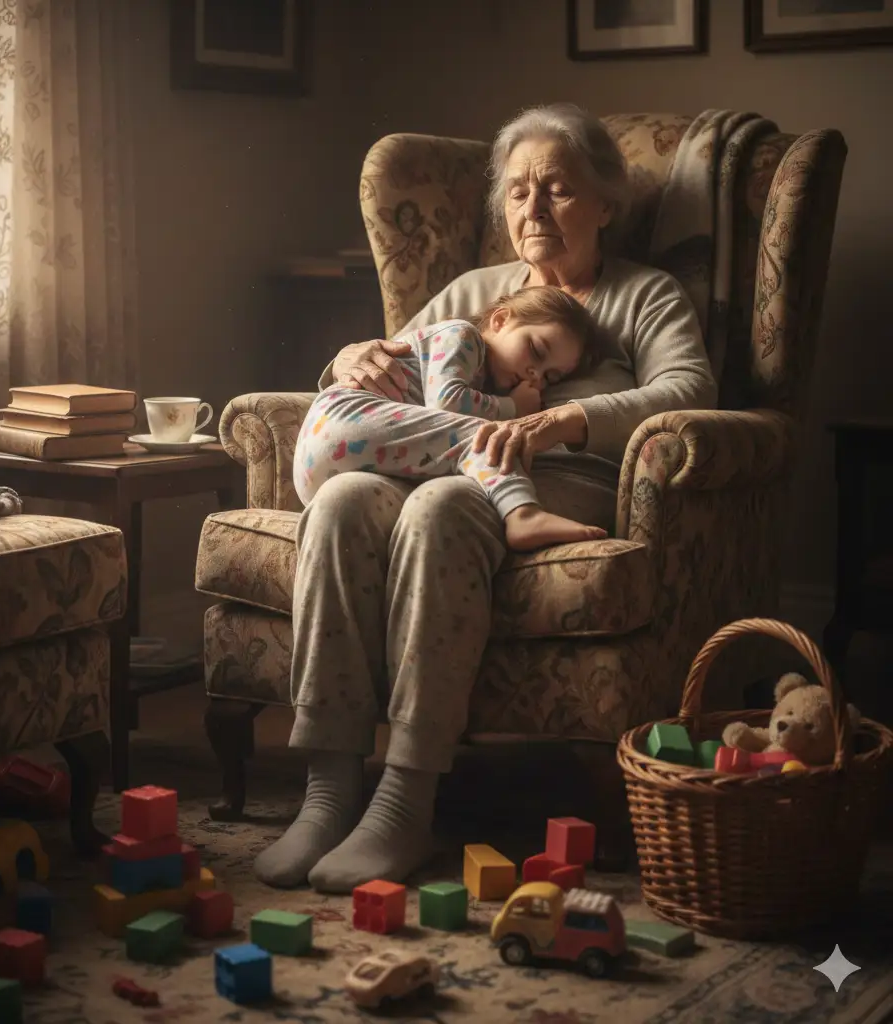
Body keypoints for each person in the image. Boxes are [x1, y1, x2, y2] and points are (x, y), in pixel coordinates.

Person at [253, 102, 717, 893]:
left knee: (439, 511)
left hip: (539, 488)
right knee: (337, 504)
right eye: (517, 191)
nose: (532, 209)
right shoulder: (479, 291)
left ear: (606, 204)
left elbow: (691, 388)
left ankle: (407, 797)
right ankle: (328, 793)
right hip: (429, 465)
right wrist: (347, 359)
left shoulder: (646, 296)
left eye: (558, 190)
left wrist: (566, 418)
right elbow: (402, 374)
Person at [294, 285, 608, 551]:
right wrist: (512, 407)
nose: (535, 376)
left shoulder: (481, 375)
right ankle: (521, 512)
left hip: (327, 466)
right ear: (500, 321)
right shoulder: (463, 335)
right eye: (536, 351)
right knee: (489, 435)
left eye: (549, 377)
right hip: (342, 418)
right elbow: (446, 403)